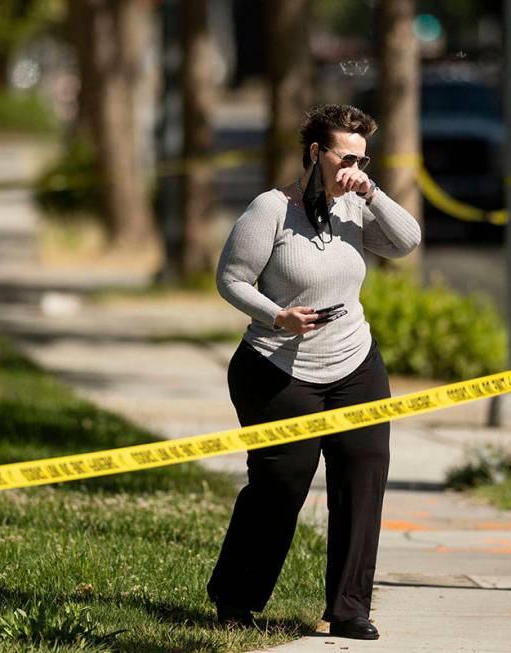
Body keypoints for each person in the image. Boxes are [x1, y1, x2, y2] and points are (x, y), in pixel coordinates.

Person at [207, 104, 420, 641]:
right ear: (314, 153)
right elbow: (231, 279)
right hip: (279, 367)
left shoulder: (356, 206)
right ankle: (235, 600)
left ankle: (349, 610)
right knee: (281, 484)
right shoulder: (271, 209)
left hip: (354, 363)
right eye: (346, 155)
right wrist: (276, 314)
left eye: (363, 158)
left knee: (363, 477)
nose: (355, 166)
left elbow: (406, 241)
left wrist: (371, 192)